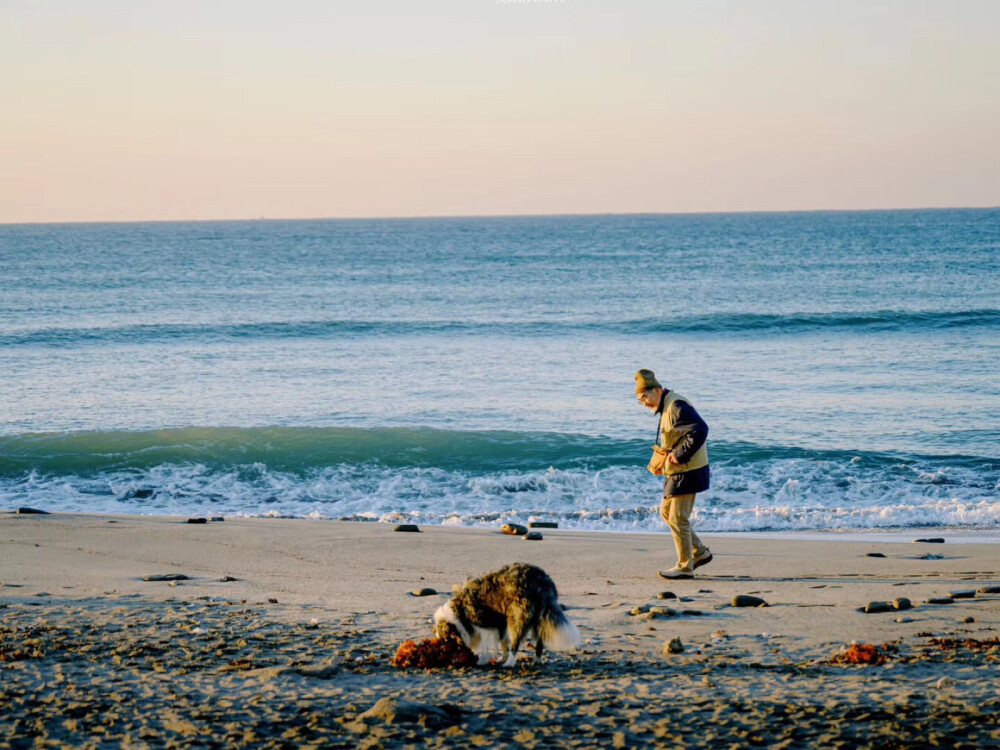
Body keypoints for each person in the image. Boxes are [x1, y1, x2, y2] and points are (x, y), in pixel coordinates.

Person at [635, 368, 713, 580]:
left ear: (657, 391)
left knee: (678, 518)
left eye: (645, 397)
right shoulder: (667, 404)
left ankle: (685, 567)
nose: (644, 403)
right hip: (679, 471)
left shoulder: (676, 405)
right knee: (666, 513)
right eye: (640, 399)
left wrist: (679, 455)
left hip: (688, 471)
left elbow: (700, 430)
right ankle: (700, 552)